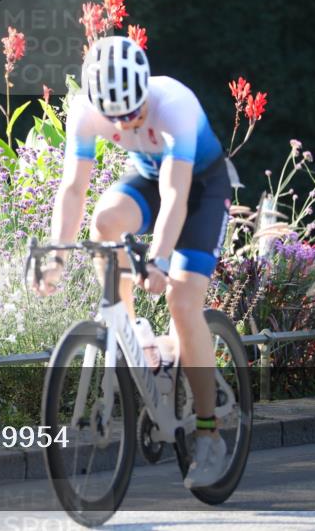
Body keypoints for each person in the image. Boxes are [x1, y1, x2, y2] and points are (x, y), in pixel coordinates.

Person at [33, 35, 235, 488]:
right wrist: (57, 255)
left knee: (182, 303)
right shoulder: (85, 112)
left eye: (135, 111)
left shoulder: (174, 106)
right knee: (104, 224)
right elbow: (73, 189)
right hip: (147, 177)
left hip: (200, 189)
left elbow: (176, 196)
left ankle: (209, 434)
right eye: (118, 117)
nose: (129, 121)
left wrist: (160, 258)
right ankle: (127, 336)